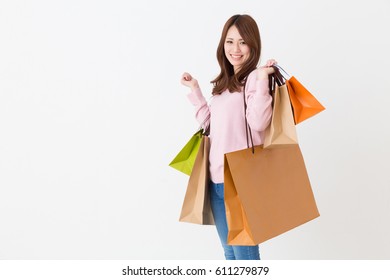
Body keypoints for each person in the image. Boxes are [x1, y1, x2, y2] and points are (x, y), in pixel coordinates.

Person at [180, 14, 277, 260]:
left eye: (243, 42)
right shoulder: (225, 84)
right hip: (215, 181)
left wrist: (264, 78)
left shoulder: (254, 78)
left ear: (253, 45)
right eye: (230, 41)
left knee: (244, 253)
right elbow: (211, 126)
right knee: (230, 254)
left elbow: (259, 122)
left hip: (240, 179)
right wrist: (196, 91)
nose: (235, 49)